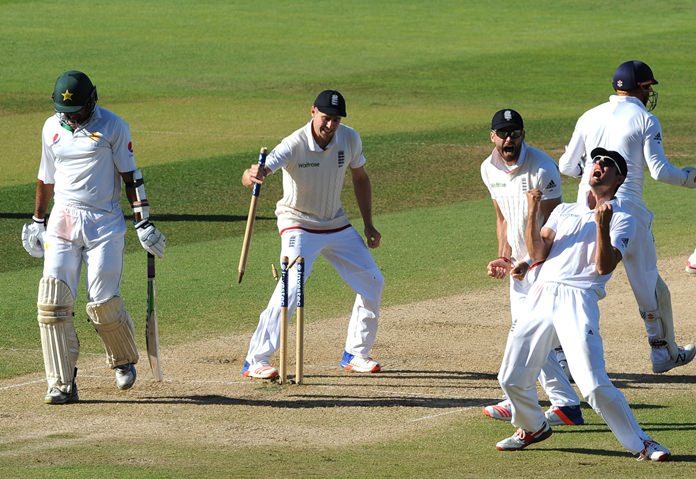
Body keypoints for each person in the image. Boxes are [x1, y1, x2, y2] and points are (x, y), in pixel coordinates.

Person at [496, 148, 670, 462]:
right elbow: (538, 253)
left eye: (608, 164)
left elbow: (604, 266)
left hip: (578, 299)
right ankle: (532, 427)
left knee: (592, 385)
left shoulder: (623, 218)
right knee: (510, 377)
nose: (599, 166)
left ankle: (641, 443)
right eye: (596, 161)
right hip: (541, 294)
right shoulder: (564, 212)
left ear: (618, 179)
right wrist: (533, 212)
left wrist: (603, 225)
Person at [21, 70, 166, 404]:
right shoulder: (51, 127)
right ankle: (61, 382)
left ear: (92, 101)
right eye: (64, 112)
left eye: (76, 112)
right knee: (53, 299)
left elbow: (131, 177)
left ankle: (123, 358)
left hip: (104, 222)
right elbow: (46, 177)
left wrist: (143, 222)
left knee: (102, 299)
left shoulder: (113, 126)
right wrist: (37, 221)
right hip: (63, 218)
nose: (70, 118)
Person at [559, 60, 696, 373]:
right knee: (650, 286)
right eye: (649, 88)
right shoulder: (646, 119)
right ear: (640, 88)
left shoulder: (589, 115)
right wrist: (691, 178)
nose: (650, 94)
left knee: (576, 282)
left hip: (586, 210)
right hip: (628, 211)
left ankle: (560, 355)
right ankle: (662, 353)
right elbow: (660, 172)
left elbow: (567, 166)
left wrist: (593, 179)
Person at [240, 90, 384, 379]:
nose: (330, 126)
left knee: (373, 282)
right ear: (313, 112)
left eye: (336, 120)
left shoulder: (350, 138)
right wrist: (251, 176)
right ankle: (256, 359)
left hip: (336, 224)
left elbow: (361, 177)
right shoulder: (294, 144)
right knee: (291, 287)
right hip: (298, 223)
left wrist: (368, 224)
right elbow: (257, 171)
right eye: (326, 118)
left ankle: (355, 353)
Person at [480, 109, 584, 426]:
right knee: (526, 334)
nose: (509, 139)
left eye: (515, 133)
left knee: (525, 333)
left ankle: (557, 403)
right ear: (492, 136)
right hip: (521, 266)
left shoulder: (542, 167)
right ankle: (531, 400)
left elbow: (555, 225)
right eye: (503, 133)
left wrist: (529, 260)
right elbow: (503, 218)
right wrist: (505, 256)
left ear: (523, 134)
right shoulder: (488, 169)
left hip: (547, 262)